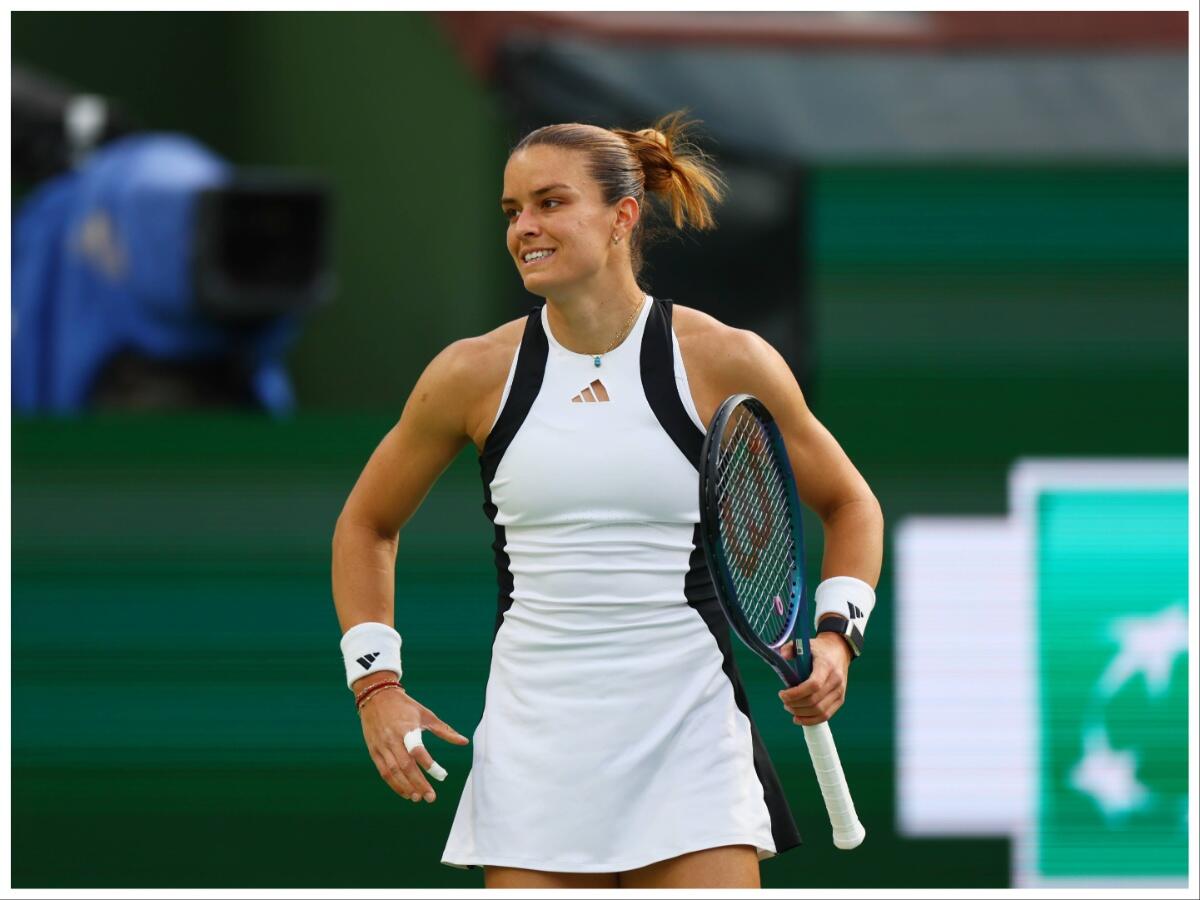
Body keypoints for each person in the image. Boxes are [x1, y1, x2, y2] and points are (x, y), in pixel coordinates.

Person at [331, 110, 884, 889]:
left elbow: (852, 503)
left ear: (623, 215)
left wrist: (836, 637)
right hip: (534, 747)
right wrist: (376, 684)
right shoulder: (470, 374)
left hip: (690, 740)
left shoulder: (725, 358)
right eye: (512, 210)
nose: (524, 226)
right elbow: (367, 523)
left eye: (550, 203)